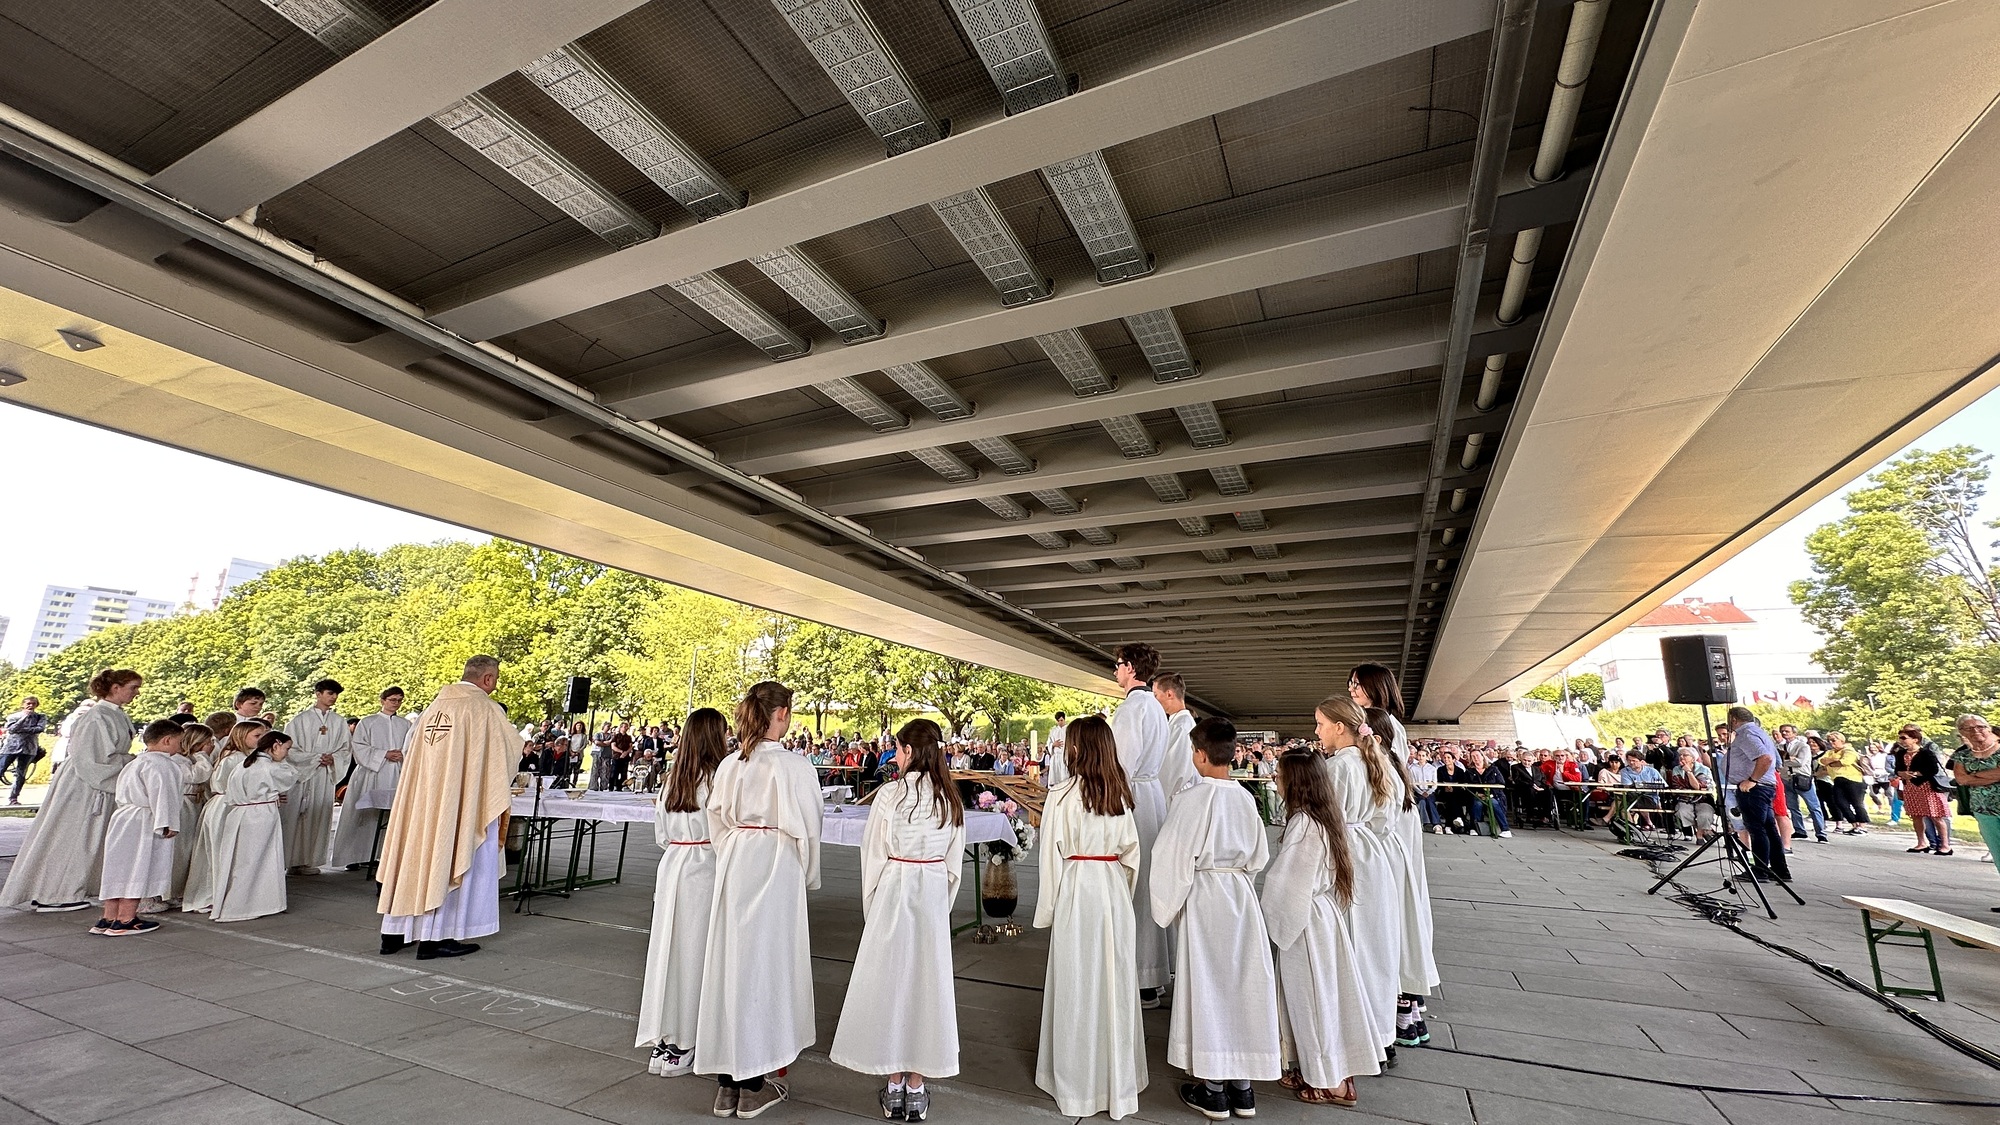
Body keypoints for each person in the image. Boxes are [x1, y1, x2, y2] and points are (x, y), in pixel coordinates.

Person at [694, 680, 821, 1119]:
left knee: (732, 963)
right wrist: (806, 872)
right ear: (781, 714)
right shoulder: (793, 765)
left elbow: (716, 819)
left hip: (737, 858)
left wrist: (732, 851)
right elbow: (810, 825)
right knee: (766, 966)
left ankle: (727, 1084)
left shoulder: (731, 764)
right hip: (775, 862)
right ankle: (752, 1084)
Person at [831, 719, 966, 1121]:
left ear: (908, 751)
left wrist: (873, 904)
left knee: (891, 981)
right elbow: (954, 863)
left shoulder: (891, 794)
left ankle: (893, 1083)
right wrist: (940, 904)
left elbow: (873, 852)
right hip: (931, 890)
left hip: (894, 886)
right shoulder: (949, 797)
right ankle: (916, 1085)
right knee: (927, 983)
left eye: (898, 749)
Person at [1149, 716, 1280, 1120]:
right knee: (1242, 985)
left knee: (1208, 986)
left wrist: (1167, 906)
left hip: (1206, 897)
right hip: (1240, 895)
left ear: (1201, 755)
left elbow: (1170, 855)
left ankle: (1213, 1090)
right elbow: (1259, 855)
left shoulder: (1192, 799)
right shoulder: (1244, 798)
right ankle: (1244, 1088)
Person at [1035, 714, 1145, 1119]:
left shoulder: (1061, 796)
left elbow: (1050, 859)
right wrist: (1121, 896)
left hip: (1077, 888)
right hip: (1111, 889)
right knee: (1114, 983)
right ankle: (1118, 1079)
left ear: (1076, 749)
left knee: (1077, 983)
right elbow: (1132, 855)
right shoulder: (1120, 795)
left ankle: (1077, 1083)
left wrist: (1048, 909)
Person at [377, 657, 516, 960]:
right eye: (495, 679)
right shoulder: (484, 709)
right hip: (459, 803)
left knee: (415, 859)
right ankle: (435, 939)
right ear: (488, 679)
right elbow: (507, 754)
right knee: (450, 855)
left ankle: (394, 933)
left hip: (422, 802)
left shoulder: (432, 709)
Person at [1264, 748, 1380, 1107]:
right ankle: (1324, 1071)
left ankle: (1329, 1082)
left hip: (1305, 920)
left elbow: (1289, 882)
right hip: (1321, 916)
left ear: (1295, 781)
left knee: (1312, 999)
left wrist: (1266, 917)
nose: (1275, 780)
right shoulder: (1323, 816)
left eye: (1280, 775)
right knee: (1326, 996)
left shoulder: (1304, 824)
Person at [1, 669, 141, 912]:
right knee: (72, 837)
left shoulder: (113, 714)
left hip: (93, 782)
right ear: (115, 688)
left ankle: (65, 889)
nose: (136, 693)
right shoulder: (97, 717)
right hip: (84, 785)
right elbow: (93, 758)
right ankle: (55, 893)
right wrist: (131, 762)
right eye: (133, 688)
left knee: (83, 838)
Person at [637, 708, 728, 1079]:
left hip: (673, 863)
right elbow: (725, 830)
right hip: (704, 866)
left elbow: (661, 833)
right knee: (694, 955)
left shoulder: (672, 779)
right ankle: (686, 1038)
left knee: (668, 952)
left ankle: (666, 1035)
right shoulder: (719, 778)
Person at [1313, 696, 1402, 1059]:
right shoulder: (1373, 760)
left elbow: (1324, 819)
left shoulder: (1337, 767)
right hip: (1372, 856)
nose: (1316, 731)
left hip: (1345, 854)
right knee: (1374, 946)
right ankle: (1381, 1032)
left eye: (1320, 724)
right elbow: (1385, 820)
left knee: (1348, 945)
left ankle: (1353, 1039)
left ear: (1339, 727)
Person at [1362, 702, 1437, 1048]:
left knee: (1385, 931)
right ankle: (1408, 1008)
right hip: (1397, 856)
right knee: (1400, 929)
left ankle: (1400, 1009)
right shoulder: (1393, 767)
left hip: (1383, 858)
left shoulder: (1378, 770)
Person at [1109, 642, 1174, 1009]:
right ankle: (1155, 974)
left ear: (1131, 668)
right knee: (1149, 883)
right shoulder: (1155, 707)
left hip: (1133, 798)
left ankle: (1143, 978)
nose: (1115, 670)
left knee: (1133, 886)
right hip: (1152, 796)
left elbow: (1121, 765)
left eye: (1118, 664)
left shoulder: (1131, 709)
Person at [90, 719, 188, 937]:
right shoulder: (163, 764)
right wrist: (168, 823)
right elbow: (163, 794)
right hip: (145, 819)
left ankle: (108, 917)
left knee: (118, 866)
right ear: (167, 740)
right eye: (180, 742)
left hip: (123, 817)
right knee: (139, 865)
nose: (181, 747)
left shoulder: (135, 762)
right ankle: (126, 919)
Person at [209, 730, 298, 923]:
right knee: (254, 861)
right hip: (259, 816)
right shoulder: (269, 767)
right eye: (286, 748)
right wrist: (280, 762)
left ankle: (256, 902)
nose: (287, 753)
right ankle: (241, 906)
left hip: (241, 813)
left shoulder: (244, 764)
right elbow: (291, 775)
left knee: (244, 860)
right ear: (275, 746)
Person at [183, 718, 265, 914]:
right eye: (257, 735)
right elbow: (228, 785)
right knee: (219, 852)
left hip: (231, 804)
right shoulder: (234, 758)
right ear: (241, 736)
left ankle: (227, 893)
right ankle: (213, 895)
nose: (262, 739)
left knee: (230, 852)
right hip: (227, 806)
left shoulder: (246, 757)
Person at [331, 687, 412, 870]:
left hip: (396, 772)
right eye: (392, 699)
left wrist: (403, 754)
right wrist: (384, 754)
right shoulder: (368, 722)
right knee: (364, 815)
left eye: (399, 700)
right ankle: (354, 856)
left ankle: (381, 855)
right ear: (383, 700)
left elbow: (411, 746)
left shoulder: (405, 724)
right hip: (371, 772)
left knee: (390, 816)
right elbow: (358, 746)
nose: (396, 703)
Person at [281, 678, 351, 875]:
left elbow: (346, 749)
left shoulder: (339, 722)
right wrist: (314, 758)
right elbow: (290, 749)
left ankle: (309, 860)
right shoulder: (299, 720)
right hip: (303, 776)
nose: (333, 697)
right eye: (330, 693)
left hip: (325, 775)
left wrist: (333, 758)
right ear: (318, 694)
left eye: (336, 694)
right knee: (297, 816)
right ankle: (291, 860)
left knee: (317, 816)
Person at [1722, 708, 1790, 883]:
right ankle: (1780, 870)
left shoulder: (1747, 734)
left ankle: (1760, 871)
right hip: (1761, 787)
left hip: (1755, 788)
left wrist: (1752, 780)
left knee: (1757, 829)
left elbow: (1765, 758)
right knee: (1768, 829)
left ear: (1734, 719)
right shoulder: (1757, 732)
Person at [1947, 715, 2000, 908]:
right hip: (1983, 808)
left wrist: (1975, 776)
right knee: (1998, 851)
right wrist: (1990, 776)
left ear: (1989, 727)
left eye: (1980, 726)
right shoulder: (1962, 755)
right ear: (1962, 732)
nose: (1976, 731)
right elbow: (1962, 779)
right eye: (1969, 728)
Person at [168, 722, 216, 905]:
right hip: (183, 806)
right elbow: (197, 776)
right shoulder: (177, 760)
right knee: (180, 849)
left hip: (193, 804)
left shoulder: (189, 759)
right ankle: (169, 891)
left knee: (189, 848)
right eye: (208, 742)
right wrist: (203, 755)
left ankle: (180, 889)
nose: (211, 745)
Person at [1896, 725, 1954, 856]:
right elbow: (1897, 769)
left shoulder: (1926, 753)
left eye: (1904, 738)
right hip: (1910, 787)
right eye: (1900, 738)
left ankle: (1945, 845)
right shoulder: (1900, 753)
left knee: (1936, 816)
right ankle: (1921, 842)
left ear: (1915, 739)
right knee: (1916, 815)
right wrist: (1902, 773)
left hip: (1927, 787)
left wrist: (1916, 773)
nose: (1901, 741)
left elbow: (1933, 770)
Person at [1153, 672, 1200, 798]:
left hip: (1177, 795)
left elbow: (1171, 771)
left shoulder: (1181, 726)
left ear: (1169, 694)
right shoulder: (1178, 723)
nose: (1154, 700)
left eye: (1156, 695)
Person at [1820, 731, 1871, 834]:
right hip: (1837, 780)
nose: (1831, 743)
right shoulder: (1830, 752)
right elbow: (1821, 761)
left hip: (1853, 780)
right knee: (1840, 803)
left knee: (1857, 803)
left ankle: (1862, 826)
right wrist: (1833, 760)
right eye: (1829, 741)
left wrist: (1831, 762)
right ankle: (1854, 824)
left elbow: (1845, 762)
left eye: (1834, 740)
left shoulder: (1848, 750)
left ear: (1841, 740)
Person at [2, 696, 48, 806]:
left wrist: (21, 730)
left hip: (29, 748)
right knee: (1, 768)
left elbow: (39, 729)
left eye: (33, 704)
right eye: (28, 703)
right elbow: (11, 729)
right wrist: (24, 718)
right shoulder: (13, 716)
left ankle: (13, 798)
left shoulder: (40, 717)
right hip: (11, 748)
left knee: (21, 774)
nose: (30, 706)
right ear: (23, 704)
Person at [1044, 711, 1070, 787]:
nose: (1060, 722)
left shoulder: (1068, 730)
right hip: (1055, 756)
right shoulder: (1053, 731)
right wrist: (1053, 745)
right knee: (1055, 776)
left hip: (1065, 755)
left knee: (1064, 776)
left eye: (1061, 720)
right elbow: (1048, 743)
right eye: (1058, 721)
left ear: (1064, 719)